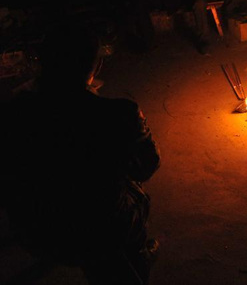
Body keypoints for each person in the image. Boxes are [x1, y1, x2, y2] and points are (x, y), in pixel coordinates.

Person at [0, 23, 161, 285]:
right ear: (96, 67)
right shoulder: (119, 113)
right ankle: (135, 257)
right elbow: (147, 166)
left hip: (33, 230)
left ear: (42, 63)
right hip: (98, 234)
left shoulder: (12, 113)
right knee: (132, 190)